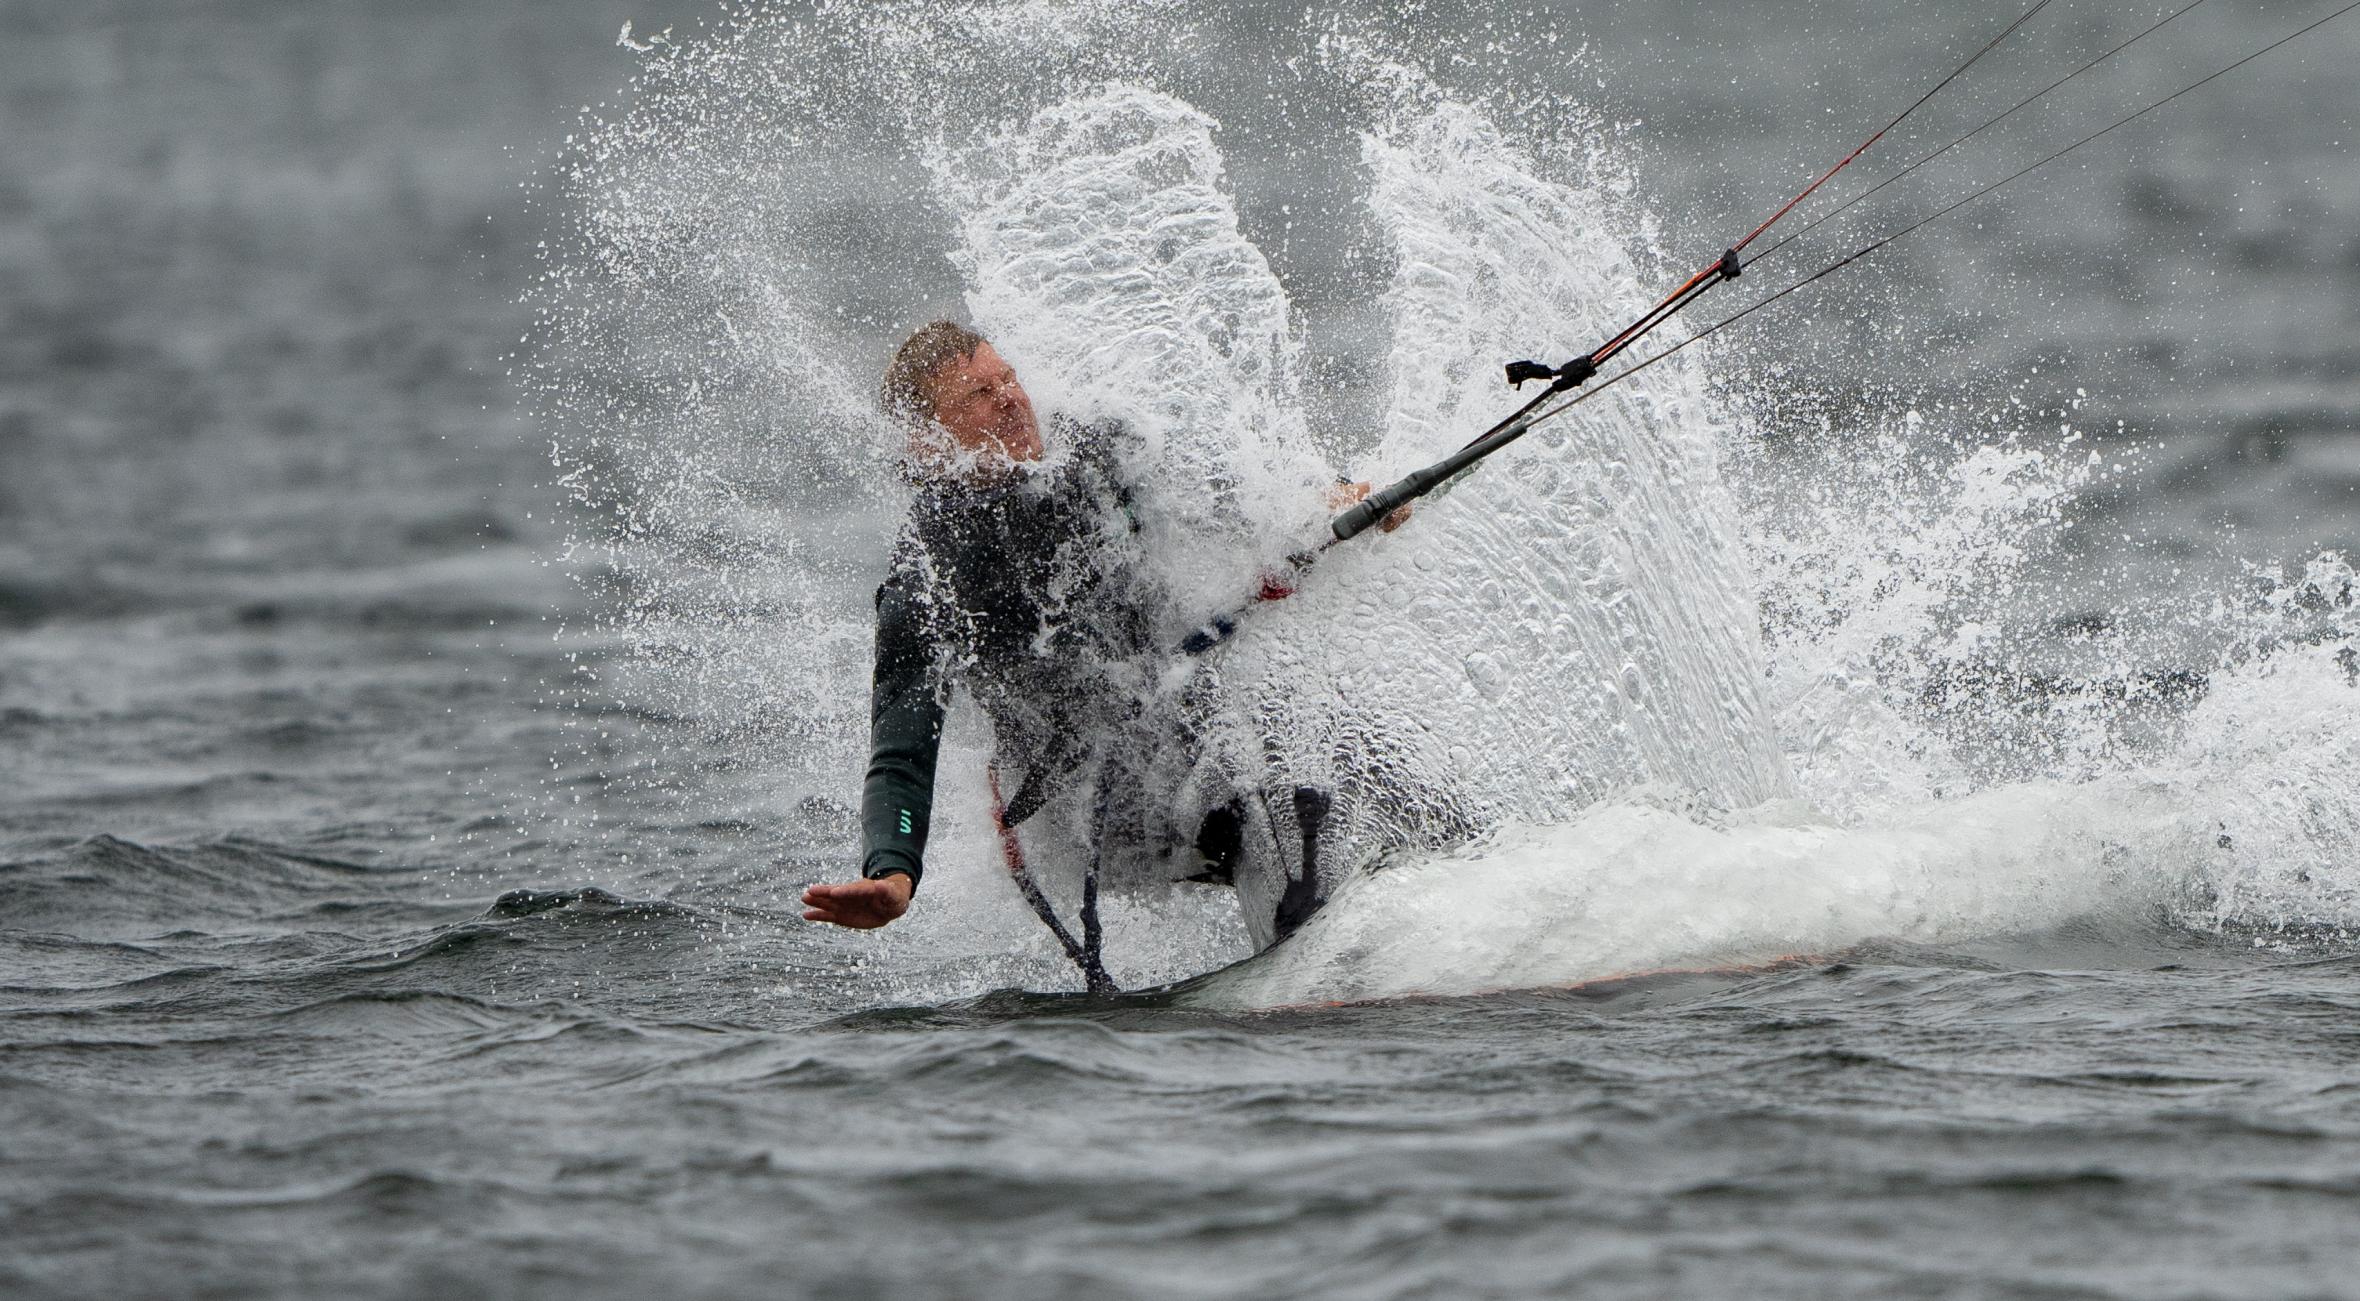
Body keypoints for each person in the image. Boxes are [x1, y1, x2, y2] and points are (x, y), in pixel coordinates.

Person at [800, 320, 1400, 936]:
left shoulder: (1096, 453)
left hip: (1181, 722)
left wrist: (1336, 501)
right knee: (1253, 798)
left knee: (1326, 760)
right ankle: (1317, 948)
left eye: (1008, 378)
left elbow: (1228, 495)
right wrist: (893, 870)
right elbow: (902, 750)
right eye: (978, 395)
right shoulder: (930, 575)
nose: (1010, 399)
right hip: (1081, 804)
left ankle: (1383, 915)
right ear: (928, 441)